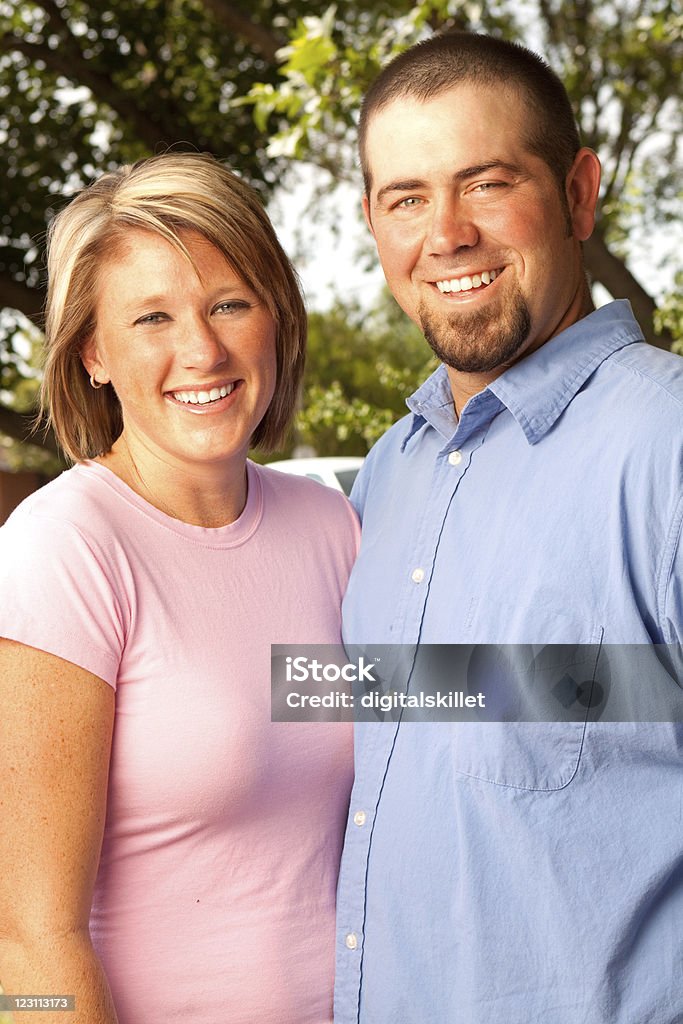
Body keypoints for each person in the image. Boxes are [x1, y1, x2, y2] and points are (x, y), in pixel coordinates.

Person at [334, 31, 683, 1024]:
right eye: (405, 198)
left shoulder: (664, 450)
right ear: (372, 222)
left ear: (577, 193)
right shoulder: (386, 476)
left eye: (484, 183)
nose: (444, 234)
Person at [0, 152, 359, 1024]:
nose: (201, 349)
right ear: (92, 352)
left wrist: (640, 682)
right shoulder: (66, 551)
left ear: (274, 317)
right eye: (151, 317)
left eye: (229, 303)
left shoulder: (331, 526)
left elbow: (455, 700)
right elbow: (27, 942)